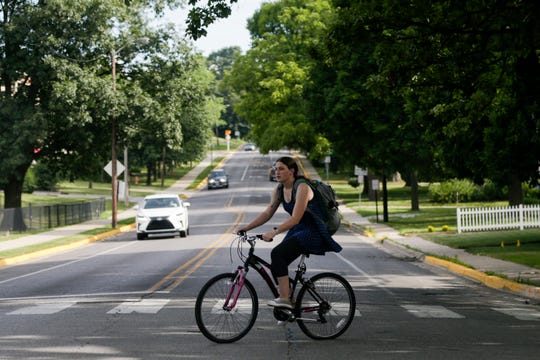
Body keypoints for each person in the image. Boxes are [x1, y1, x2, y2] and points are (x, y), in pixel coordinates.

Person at [237, 156, 342, 309]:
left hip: (315, 229)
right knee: (277, 264)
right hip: (300, 229)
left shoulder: (302, 188)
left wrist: (274, 232)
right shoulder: (280, 189)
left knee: (278, 254)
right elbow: (267, 213)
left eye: (281, 169)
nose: (276, 172)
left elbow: (295, 218)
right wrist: (246, 228)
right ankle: (289, 304)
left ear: (292, 171)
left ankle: (285, 299)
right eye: (275, 169)